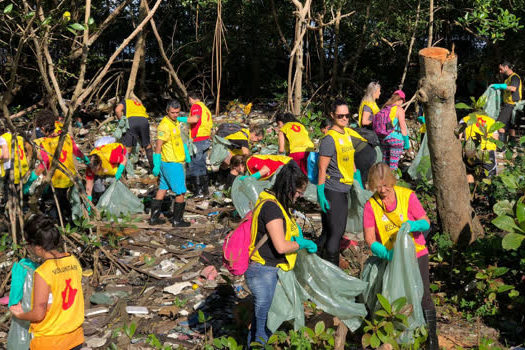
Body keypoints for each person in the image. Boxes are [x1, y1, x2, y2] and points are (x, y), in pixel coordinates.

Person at [363, 163, 438, 350]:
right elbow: (369, 238)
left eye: (386, 186)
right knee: (393, 297)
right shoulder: (371, 205)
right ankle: (399, 338)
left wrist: (413, 226)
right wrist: (385, 253)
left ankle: (432, 341)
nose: (382, 191)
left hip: (416, 254)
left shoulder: (407, 196)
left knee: (422, 295)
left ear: (392, 182)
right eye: (378, 187)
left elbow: (425, 222)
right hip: (390, 258)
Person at [246, 162, 317, 345]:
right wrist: (300, 243)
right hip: (263, 271)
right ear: (289, 188)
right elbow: (281, 246)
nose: (299, 197)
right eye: (298, 193)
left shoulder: (276, 202)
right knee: (263, 326)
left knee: (259, 323)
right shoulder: (272, 209)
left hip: (267, 270)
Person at [10, 214, 85, 350]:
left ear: (38, 247)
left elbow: (39, 313)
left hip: (49, 342)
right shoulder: (73, 261)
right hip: (75, 338)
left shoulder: (43, 273)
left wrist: (20, 314)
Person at [317, 99, 357, 266]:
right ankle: (333, 270)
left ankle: (317, 260)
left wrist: (358, 180)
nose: (344, 119)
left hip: (344, 187)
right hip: (333, 190)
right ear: (332, 115)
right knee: (336, 232)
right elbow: (322, 168)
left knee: (328, 231)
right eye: (340, 116)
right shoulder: (329, 139)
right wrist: (320, 193)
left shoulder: (346, 134)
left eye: (347, 115)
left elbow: (350, 161)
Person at [34, 110, 87, 221]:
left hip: (57, 180)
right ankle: (70, 220)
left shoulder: (44, 143)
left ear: (43, 129)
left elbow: (45, 162)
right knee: (62, 200)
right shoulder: (65, 136)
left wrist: (33, 176)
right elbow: (76, 150)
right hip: (69, 176)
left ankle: (58, 224)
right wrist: (85, 159)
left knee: (52, 203)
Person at [150, 100, 191, 227]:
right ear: (167, 111)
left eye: (177, 112)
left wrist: (186, 153)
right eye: (173, 112)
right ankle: (177, 220)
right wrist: (156, 163)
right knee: (181, 192)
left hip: (170, 161)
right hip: (171, 163)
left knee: (163, 188)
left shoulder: (176, 122)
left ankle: (154, 218)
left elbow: (179, 139)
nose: (175, 115)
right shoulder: (164, 126)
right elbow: (158, 146)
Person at [182, 92, 213, 197]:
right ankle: (205, 190)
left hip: (198, 139)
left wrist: (179, 119)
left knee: (195, 165)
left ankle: (198, 191)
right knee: (201, 165)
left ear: (191, 98)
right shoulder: (205, 108)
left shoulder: (196, 106)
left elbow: (194, 119)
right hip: (205, 139)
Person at [114, 97, 154, 170]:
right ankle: (153, 168)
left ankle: (122, 172)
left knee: (128, 148)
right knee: (147, 145)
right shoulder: (140, 105)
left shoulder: (126, 101)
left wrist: (121, 120)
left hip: (131, 121)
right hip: (144, 121)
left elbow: (117, 110)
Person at [458, 113, 497, 182]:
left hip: (471, 151)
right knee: (488, 176)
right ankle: (485, 190)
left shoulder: (464, 119)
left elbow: (458, 137)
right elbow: (495, 138)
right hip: (487, 152)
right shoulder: (491, 121)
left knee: (470, 172)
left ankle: (470, 190)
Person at [377, 90, 409, 171]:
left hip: (384, 139)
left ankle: (382, 181)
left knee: (384, 164)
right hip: (396, 140)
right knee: (393, 167)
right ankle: (391, 181)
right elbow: (403, 128)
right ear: (400, 100)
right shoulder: (399, 110)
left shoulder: (385, 108)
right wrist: (407, 144)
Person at [491, 61, 522, 143]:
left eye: (501, 69)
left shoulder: (515, 77)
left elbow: (513, 88)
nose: (500, 71)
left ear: (506, 67)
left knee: (499, 124)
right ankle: (512, 146)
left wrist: (500, 86)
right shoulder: (507, 79)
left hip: (511, 104)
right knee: (510, 126)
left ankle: (501, 148)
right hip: (508, 104)